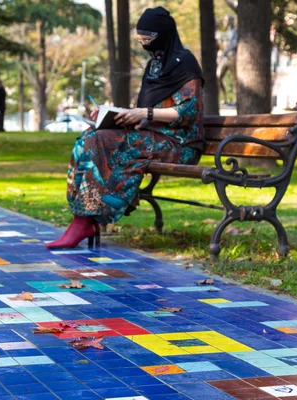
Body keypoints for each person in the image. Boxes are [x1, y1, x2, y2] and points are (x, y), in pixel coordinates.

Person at [46, 7, 204, 249]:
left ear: (163, 35)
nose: (143, 43)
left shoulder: (185, 64)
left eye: (147, 38)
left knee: (100, 141)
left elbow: (186, 113)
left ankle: (87, 219)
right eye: (140, 38)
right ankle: (82, 216)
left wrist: (145, 113)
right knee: (88, 137)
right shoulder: (155, 66)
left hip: (179, 144)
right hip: (152, 136)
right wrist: (116, 113)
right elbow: (144, 109)